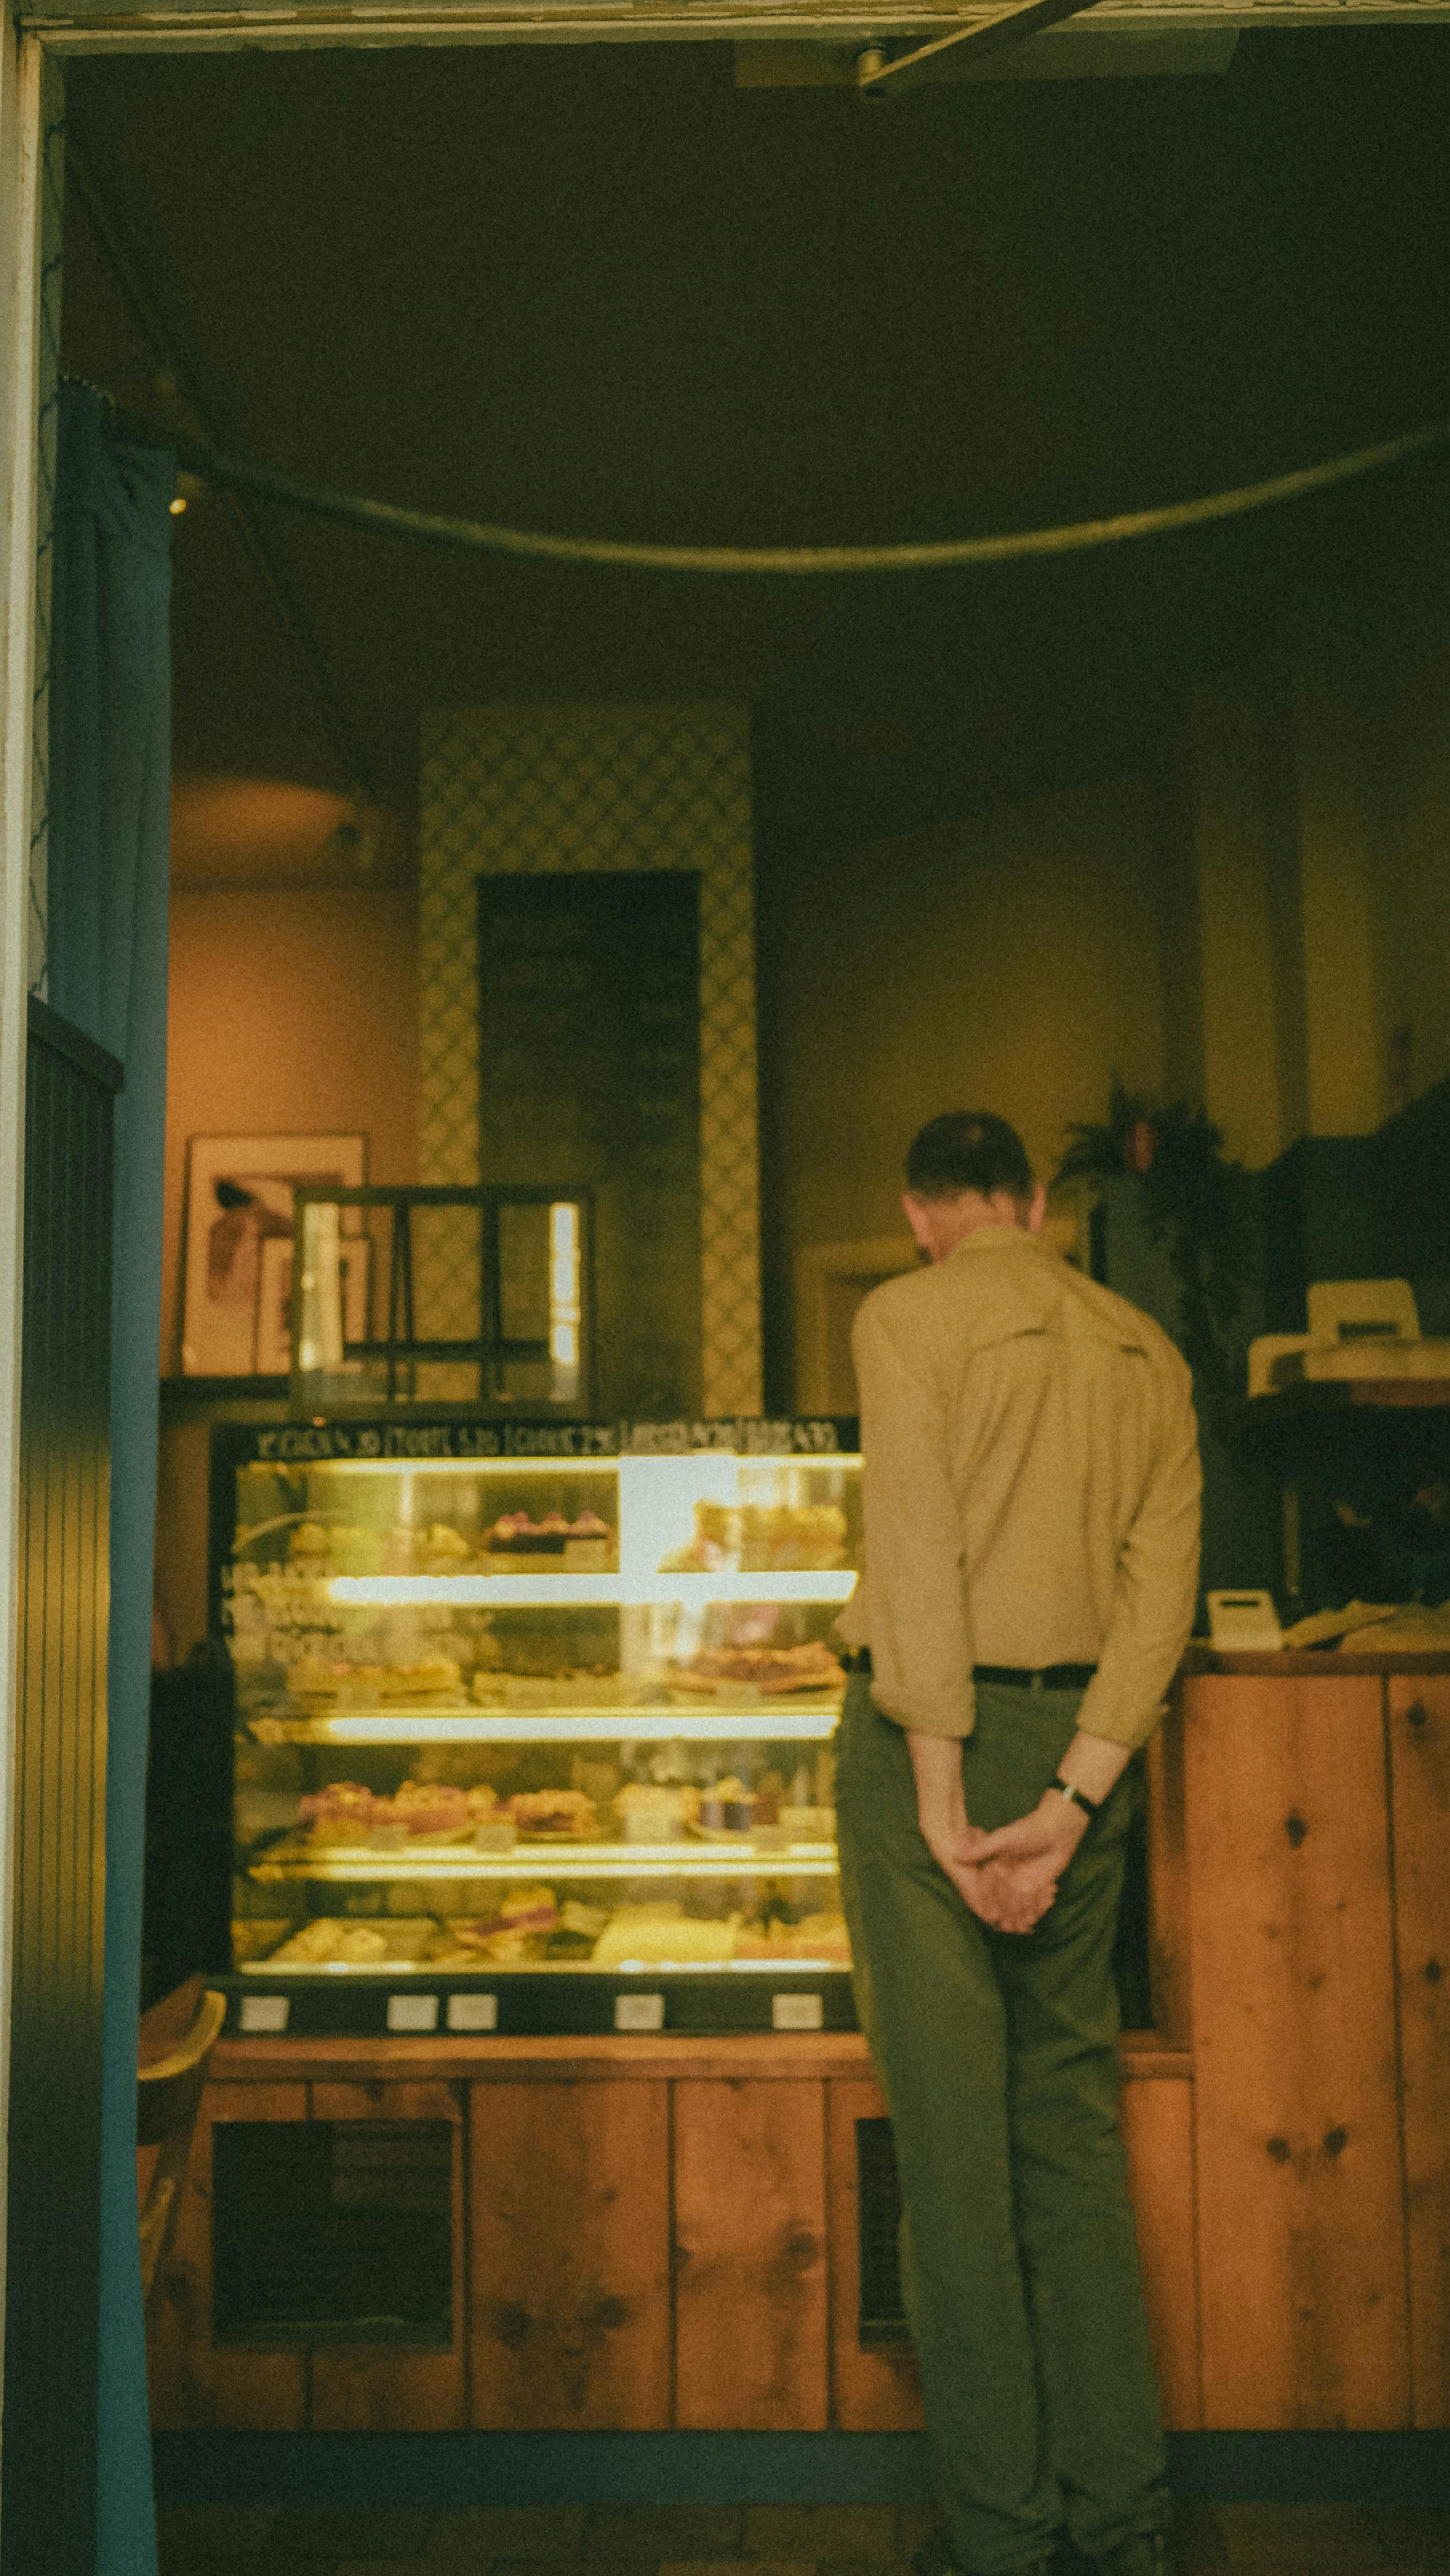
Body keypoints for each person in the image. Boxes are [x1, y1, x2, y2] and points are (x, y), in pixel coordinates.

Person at [834, 1111, 1201, 2576]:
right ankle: (1127, 2527)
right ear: (1036, 1202)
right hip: (1078, 1764)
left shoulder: (905, 1316)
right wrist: (1070, 1805)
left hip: (925, 1744)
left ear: (922, 1212)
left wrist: (941, 1804)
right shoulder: (1146, 1351)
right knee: (1069, 2136)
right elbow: (1160, 1598)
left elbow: (917, 1550)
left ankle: (1003, 2539)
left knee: (955, 2155)